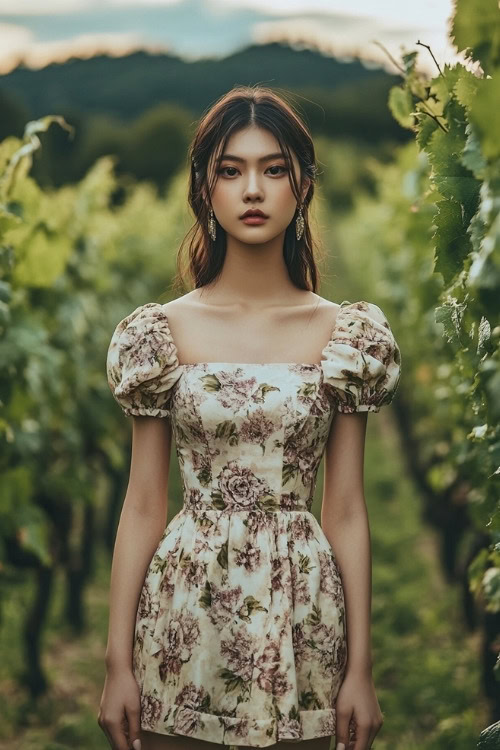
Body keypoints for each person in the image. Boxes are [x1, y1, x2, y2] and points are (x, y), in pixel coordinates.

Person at [98, 85, 401, 750]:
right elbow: (145, 501)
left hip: (305, 612)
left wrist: (362, 668)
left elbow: (345, 507)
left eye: (274, 169)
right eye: (231, 170)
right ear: (205, 190)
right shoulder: (160, 332)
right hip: (185, 605)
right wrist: (118, 663)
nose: (253, 190)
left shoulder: (346, 334)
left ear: (303, 187)